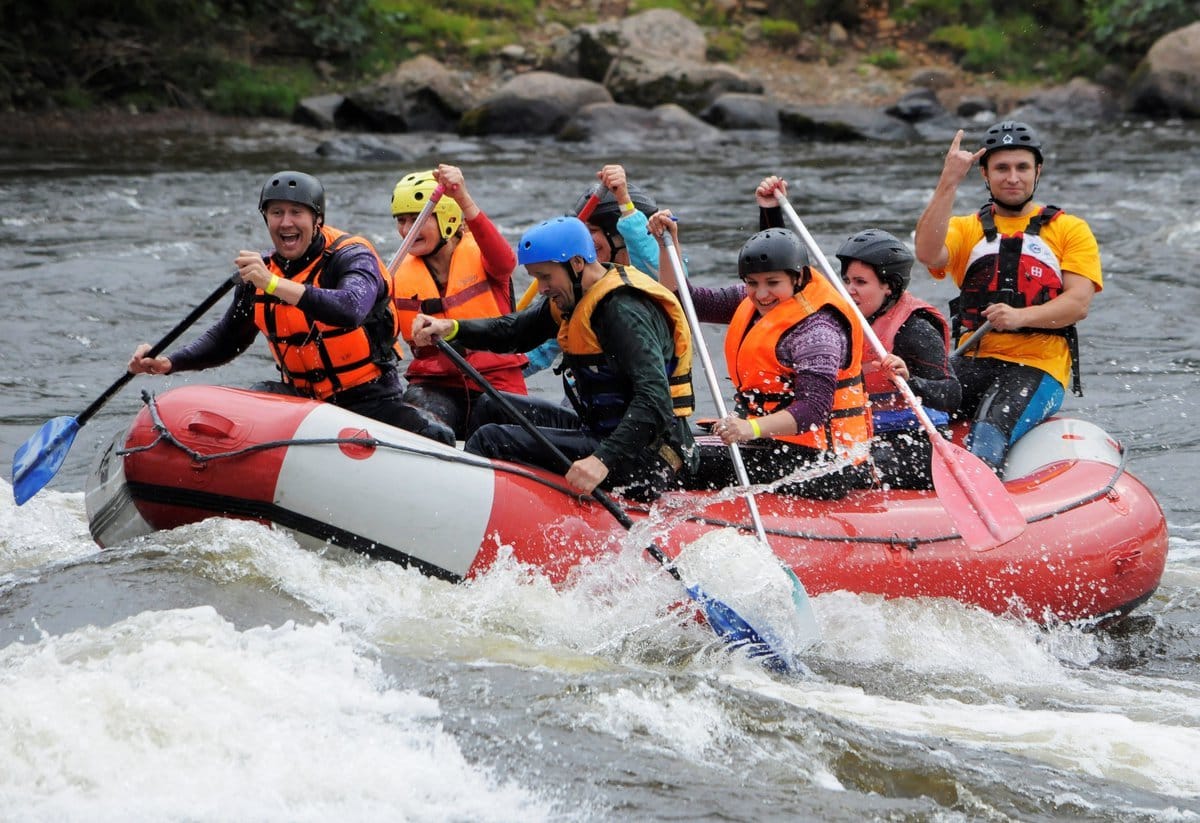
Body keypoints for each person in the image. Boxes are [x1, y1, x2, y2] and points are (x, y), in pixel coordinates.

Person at [128, 170, 454, 445]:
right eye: (276, 213)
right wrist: (169, 362)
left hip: (370, 401)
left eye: (296, 213)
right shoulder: (261, 271)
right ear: (266, 219)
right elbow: (229, 338)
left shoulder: (353, 257)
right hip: (302, 404)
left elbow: (350, 308)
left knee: (438, 436)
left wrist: (271, 284)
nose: (286, 223)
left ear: (317, 219)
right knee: (251, 401)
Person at [411, 215, 698, 501]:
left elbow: (655, 400)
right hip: (600, 430)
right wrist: (452, 328)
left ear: (576, 264)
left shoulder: (623, 312)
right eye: (537, 278)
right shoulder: (575, 296)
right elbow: (514, 331)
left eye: (546, 277)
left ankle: (462, 507)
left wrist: (602, 459)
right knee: (490, 406)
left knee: (492, 439)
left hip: (646, 455)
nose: (542, 287)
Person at [650, 184, 873, 500]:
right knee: (664, 444)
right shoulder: (753, 300)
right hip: (771, 444)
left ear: (797, 278)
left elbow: (812, 411)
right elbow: (685, 301)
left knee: (674, 463)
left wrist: (748, 429)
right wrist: (667, 243)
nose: (762, 293)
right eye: (752, 283)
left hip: (825, 465)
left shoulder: (817, 330)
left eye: (772, 283)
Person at [913, 121, 1102, 471]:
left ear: (1037, 171)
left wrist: (1020, 317)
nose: (1012, 177)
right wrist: (949, 180)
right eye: (1001, 168)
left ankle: (982, 507)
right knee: (906, 413)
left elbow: (1078, 303)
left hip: (1038, 367)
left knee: (986, 437)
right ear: (984, 174)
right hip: (973, 359)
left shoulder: (1068, 229)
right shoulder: (965, 228)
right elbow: (927, 253)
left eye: (1022, 168)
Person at [389, 165, 527, 439]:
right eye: (401, 220)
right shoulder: (394, 275)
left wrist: (462, 197)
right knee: (420, 417)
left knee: (492, 419)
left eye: (417, 218)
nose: (407, 229)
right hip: (434, 384)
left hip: (495, 381)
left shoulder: (487, 259)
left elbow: (506, 261)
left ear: (447, 217)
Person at [837, 228, 961, 490]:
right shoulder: (839, 323)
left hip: (914, 441)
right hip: (861, 434)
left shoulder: (915, 330)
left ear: (889, 286)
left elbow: (951, 394)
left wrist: (910, 381)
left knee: (847, 471)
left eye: (860, 282)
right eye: (847, 280)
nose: (849, 290)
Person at [519, 164, 660, 376]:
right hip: (592, 398)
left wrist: (625, 203)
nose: (581, 242)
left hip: (643, 398)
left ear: (619, 237)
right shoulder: (577, 287)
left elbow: (652, 264)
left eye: (591, 231)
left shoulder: (654, 281)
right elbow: (536, 353)